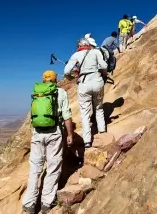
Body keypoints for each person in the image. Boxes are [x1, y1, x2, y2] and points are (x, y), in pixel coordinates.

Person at [22, 70, 74, 214]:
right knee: (53, 167)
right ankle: (46, 203)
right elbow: (67, 116)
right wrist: (69, 134)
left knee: (35, 169)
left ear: (43, 80)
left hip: (38, 134)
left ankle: (29, 204)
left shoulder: (38, 92)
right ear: (56, 80)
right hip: (54, 134)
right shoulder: (61, 93)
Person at [64, 38, 108, 148]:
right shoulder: (96, 52)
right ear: (88, 44)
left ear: (79, 46)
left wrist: (71, 78)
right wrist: (103, 75)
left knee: (84, 113)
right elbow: (104, 66)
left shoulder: (76, 55)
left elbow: (66, 71)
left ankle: (87, 141)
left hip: (84, 84)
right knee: (99, 108)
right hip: (97, 81)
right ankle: (102, 132)